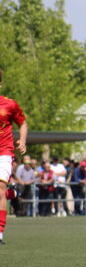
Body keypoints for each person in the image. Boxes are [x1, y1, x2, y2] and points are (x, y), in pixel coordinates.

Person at [0, 70, 28, 244]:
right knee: (3, 192)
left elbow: (22, 123)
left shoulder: (10, 105)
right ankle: (12, 193)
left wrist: (22, 140)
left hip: (4, 152)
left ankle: (0, 232)